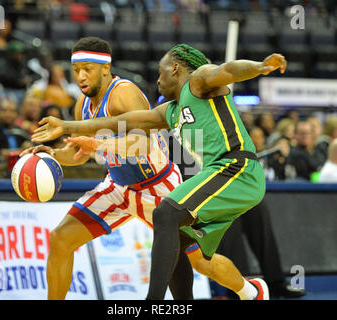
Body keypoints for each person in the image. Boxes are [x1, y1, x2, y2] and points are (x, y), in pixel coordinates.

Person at [31, 43, 287, 300]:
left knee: (199, 261)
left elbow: (140, 144)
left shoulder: (180, 83)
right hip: (119, 186)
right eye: (76, 70)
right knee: (60, 239)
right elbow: (88, 147)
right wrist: (53, 151)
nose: (80, 76)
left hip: (158, 184)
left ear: (105, 68)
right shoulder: (165, 110)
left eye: (87, 69)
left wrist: (261, 66)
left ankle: (249, 290)